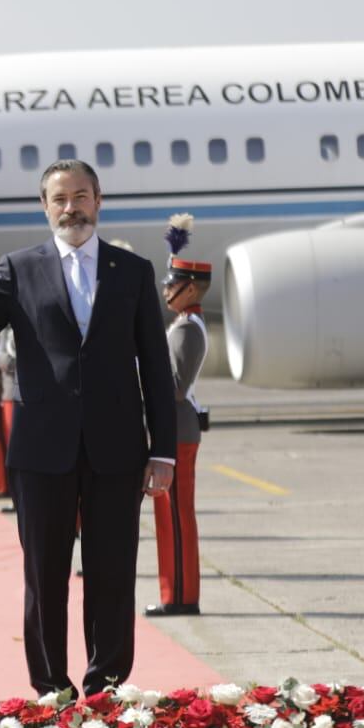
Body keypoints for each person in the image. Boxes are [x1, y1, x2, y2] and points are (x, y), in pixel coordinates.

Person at [0, 158, 177, 698]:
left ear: (99, 200)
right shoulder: (19, 268)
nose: (72, 207)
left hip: (117, 449)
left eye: (82, 196)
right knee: (44, 578)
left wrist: (163, 450)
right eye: (60, 199)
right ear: (45, 207)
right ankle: (50, 688)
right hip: (42, 450)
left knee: (112, 575)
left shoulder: (131, 272)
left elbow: (156, 368)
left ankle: (107, 687)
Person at [147, 236, 211, 617]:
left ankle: (182, 596)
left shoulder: (188, 329)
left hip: (177, 427)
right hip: (175, 427)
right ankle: (175, 592)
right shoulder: (182, 324)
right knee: (169, 514)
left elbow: (174, 386)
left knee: (176, 514)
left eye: (171, 285)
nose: (166, 290)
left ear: (190, 288)